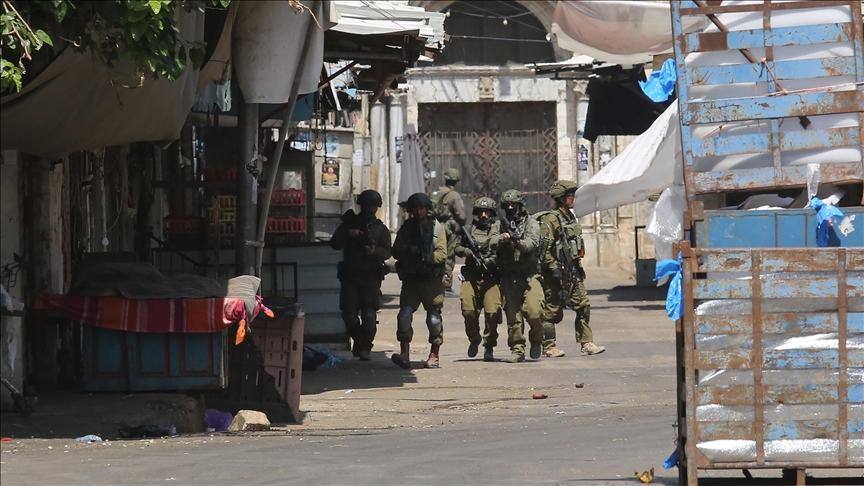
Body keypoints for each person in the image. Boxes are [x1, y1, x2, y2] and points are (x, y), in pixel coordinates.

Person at [537, 180, 605, 357]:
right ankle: (549, 346)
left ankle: (586, 343)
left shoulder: (570, 218)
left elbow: (573, 247)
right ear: (560, 198)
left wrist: (579, 268)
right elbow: (544, 250)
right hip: (554, 273)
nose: (573, 198)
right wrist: (554, 270)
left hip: (572, 270)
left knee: (583, 305)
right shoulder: (551, 219)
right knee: (551, 311)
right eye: (570, 196)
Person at [330, 190, 392, 360]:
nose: (370, 209)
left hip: (371, 277)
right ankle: (359, 341)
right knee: (349, 315)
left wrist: (374, 251)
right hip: (350, 276)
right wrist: (348, 233)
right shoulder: (349, 225)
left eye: (373, 206)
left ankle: (365, 347)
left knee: (369, 315)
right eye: (367, 206)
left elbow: (387, 251)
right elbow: (335, 244)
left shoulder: (380, 229)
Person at [391, 192, 448, 369]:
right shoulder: (407, 228)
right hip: (412, 280)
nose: (418, 212)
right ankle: (404, 354)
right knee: (404, 316)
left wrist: (428, 257)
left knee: (433, 320)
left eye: (421, 208)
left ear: (427, 209)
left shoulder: (437, 229)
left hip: (431, 281)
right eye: (415, 209)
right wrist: (408, 250)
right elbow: (395, 251)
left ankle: (434, 354)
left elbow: (442, 254)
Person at [489, 189, 544, 363]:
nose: (510, 208)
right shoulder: (499, 225)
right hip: (508, 276)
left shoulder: (531, 224)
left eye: (514, 205)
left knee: (534, 312)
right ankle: (517, 349)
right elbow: (489, 242)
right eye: (507, 205)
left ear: (520, 206)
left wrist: (516, 242)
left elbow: (531, 244)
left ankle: (536, 340)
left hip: (529, 275)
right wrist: (502, 239)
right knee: (513, 317)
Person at [454, 197, 503, 362]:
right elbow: (457, 248)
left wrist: (491, 261)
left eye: (487, 212)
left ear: (492, 213)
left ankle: (489, 345)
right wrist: (468, 252)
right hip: (471, 277)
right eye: (481, 212)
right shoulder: (468, 229)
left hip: (491, 277)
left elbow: (503, 253)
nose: (483, 215)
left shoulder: (498, 231)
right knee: (468, 309)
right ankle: (474, 338)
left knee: (493, 311)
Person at [430, 168, 467, 297]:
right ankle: (446, 285)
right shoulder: (453, 195)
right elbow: (461, 215)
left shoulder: (436, 192)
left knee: (436, 253)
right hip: (449, 229)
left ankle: (434, 281)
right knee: (448, 256)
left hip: (435, 227)